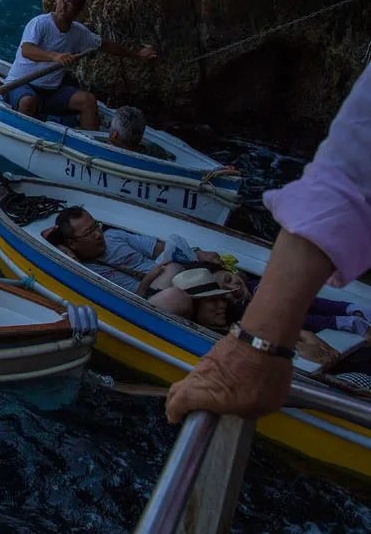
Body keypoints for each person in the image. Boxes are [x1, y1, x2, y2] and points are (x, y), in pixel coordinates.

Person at [167, 61, 371, 423]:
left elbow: (353, 170)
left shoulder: (241, 292)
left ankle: (352, 319)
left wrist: (260, 342)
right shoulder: (232, 306)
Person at [4, 0, 157, 130]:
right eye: (61, 0)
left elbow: (105, 45)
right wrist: (54, 56)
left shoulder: (79, 32)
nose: (63, 6)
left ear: (78, 10)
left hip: (51, 92)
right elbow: (27, 50)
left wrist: (138, 55)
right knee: (28, 102)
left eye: (69, 3)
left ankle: (91, 146)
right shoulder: (39, 23)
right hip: (20, 85)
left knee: (88, 101)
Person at [47, 206, 221, 318]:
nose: (98, 234)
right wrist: (146, 282)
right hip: (144, 305)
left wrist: (198, 253)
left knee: (222, 274)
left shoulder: (114, 236)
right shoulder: (83, 270)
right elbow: (122, 308)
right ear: (71, 243)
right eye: (88, 233)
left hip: (173, 277)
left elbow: (162, 249)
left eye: (96, 226)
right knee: (176, 292)